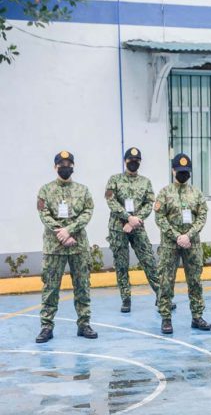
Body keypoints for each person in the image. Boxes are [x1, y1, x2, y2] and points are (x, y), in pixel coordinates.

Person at [35, 151, 97, 343]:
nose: (65, 167)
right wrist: (61, 234)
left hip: (78, 245)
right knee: (51, 288)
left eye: (68, 164)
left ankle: (84, 324)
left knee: (82, 286)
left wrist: (69, 230)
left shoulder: (83, 190)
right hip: (54, 247)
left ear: (73, 166)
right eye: (61, 164)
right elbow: (44, 214)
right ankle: (46, 326)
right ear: (55, 167)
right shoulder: (45, 190)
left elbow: (88, 212)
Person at [154, 153, 211, 334]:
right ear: (173, 171)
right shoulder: (164, 193)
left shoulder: (197, 193)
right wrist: (177, 236)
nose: (183, 174)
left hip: (192, 244)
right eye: (180, 171)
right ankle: (166, 318)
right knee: (166, 281)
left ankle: (197, 316)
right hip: (170, 244)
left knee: (195, 280)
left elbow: (202, 216)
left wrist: (189, 235)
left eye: (186, 172)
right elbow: (159, 217)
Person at [105, 147, 161, 313]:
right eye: (131, 160)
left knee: (149, 260)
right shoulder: (114, 180)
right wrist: (127, 217)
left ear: (140, 162)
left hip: (137, 226)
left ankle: (161, 295)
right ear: (125, 161)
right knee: (121, 264)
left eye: (137, 161)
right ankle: (126, 298)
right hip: (118, 228)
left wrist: (136, 220)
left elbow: (149, 203)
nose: (133, 163)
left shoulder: (145, 182)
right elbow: (111, 201)